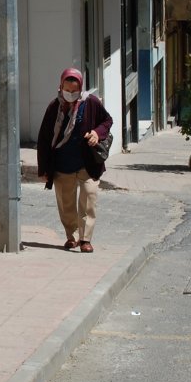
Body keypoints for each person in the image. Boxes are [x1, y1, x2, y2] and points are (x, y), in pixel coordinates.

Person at [36, 67, 113, 254]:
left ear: (81, 89)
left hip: (87, 163)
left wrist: (96, 133)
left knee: (89, 198)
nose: (70, 94)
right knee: (66, 203)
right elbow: (44, 139)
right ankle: (71, 236)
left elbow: (107, 121)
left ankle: (85, 239)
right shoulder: (54, 107)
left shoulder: (91, 103)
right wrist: (43, 169)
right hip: (62, 164)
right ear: (60, 86)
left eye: (74, 91)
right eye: (67, 90)